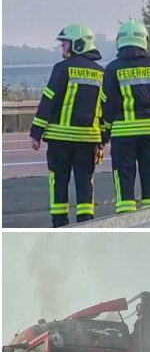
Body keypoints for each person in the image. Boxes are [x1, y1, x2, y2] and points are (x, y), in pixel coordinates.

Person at [30, 24, 105, 227]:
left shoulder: (62, 69)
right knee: (84, 181)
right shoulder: (100, 73)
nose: (62, 46)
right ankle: (86, 223)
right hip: (88, 140)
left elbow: (48, 100)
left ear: (78, 44)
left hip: (60, 140)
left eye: (65, 42)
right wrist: (102, 139)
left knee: (58, 181)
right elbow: (104, 109)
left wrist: (36, 133)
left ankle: (60, 224)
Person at [101, 19, 150, 213]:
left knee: (124, 182)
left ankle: (127, 223)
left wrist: (104, 133)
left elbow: (107, 103)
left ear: (120, 41)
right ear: (144, 40)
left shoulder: (113, 69)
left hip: (123, 135)